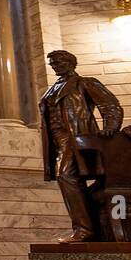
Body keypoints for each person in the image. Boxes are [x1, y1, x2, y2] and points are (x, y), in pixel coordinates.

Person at [39, 50, 123, 242]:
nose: (55, 65)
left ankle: (84, 229)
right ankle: (88, 226)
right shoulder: (51, 89)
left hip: (77, 138)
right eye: (52, 62)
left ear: (70, 62)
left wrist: (110, 128)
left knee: (66, 176)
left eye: (59, 61)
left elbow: (110, 106)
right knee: (67, 178)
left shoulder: (84, 83)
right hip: (57, 142)